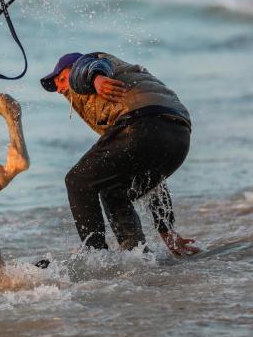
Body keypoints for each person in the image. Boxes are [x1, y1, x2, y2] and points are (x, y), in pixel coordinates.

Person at [40, 52, 199, 256]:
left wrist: (97, 79)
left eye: (62, 79)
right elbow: (154, 180)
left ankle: (95, 256)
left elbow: (89, 65)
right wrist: (168, 232)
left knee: (77, 181)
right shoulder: (127, 86)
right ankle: (137, 254)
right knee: (114, 191)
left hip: (141, 123)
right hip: (178, 137)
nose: (61, 88)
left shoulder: (91, 66)